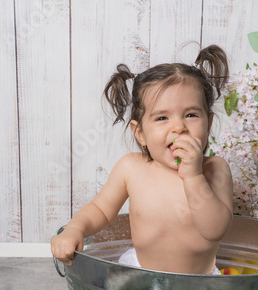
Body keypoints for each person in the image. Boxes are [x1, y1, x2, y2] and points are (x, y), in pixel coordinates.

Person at [51, 45, 233, 275]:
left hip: (199, 282)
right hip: (141, 273)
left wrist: (194, 176)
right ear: (140, 133)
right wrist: (73, 229)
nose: (178, 127)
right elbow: (100, 209)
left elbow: (215, 230)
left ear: (208, 123)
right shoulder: (132, 168)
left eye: (191, 115)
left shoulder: (215, 169)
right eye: (162, 117)